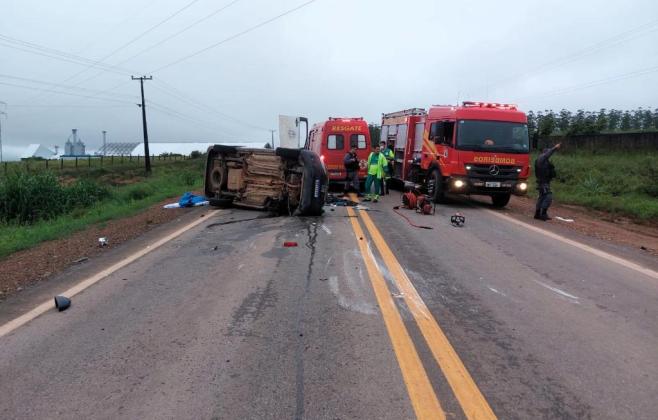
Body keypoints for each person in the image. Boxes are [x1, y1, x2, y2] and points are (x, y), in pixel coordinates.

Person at [534, 143, 561, 221]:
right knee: (548, 196)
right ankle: (543, 214)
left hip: (543, 181)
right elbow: (547, 154)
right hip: (543, 182)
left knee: (542, 197)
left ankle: (537, 213)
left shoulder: (543, 160)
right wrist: (555, 147)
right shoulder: (541, 158)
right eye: (547, 152)